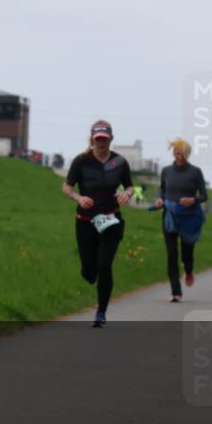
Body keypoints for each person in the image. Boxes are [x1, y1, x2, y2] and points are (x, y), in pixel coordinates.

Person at [62, 121, 134, 328]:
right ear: (92, 139)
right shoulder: (81, 161)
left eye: (104, 139)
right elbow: (66, 186)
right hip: (85, 221)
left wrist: (126, 194)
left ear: (111, 139)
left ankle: (101, 312)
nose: (101, 142)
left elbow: (130, 186)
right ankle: (89, 272)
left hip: (111, 220)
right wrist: (78, 197)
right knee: (89, 271)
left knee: (104, 265)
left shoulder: (120, 162)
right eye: (97, 139)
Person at [154, 139, 207, 301]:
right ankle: (175, 291)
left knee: (187, 252)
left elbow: (204, 195)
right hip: (169, 215)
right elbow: (162, 192)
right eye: (177, 153)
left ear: (187, 154)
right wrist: (160, 200)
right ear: (173, 153)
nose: (180, 157)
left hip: (189, 216)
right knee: (171, 253)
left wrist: (193, 200)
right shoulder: (166, 171)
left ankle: (189, 270)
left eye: (183, 154)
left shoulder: (195, 172)